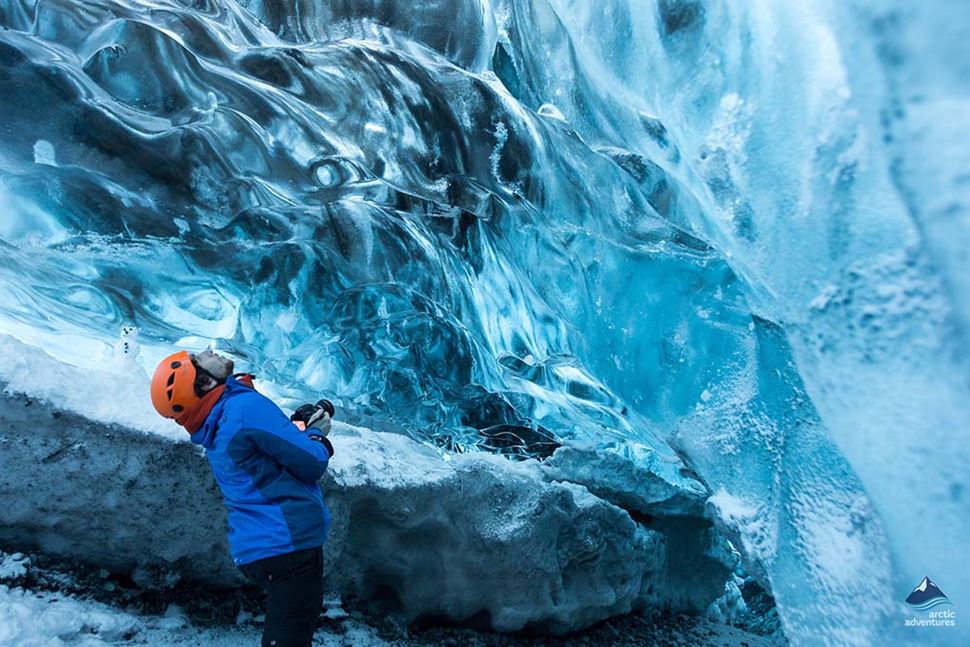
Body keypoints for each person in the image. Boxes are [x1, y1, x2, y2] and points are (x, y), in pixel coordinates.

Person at [150, 349, 335, 647]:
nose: (208, 351)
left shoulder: (220, 421)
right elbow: (312, 463)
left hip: (260, 547)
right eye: (199, 358)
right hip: (288, 544)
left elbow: (263, 451)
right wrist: (316, 435)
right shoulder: (243, 409)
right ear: (205, 383)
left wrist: (294, 428)